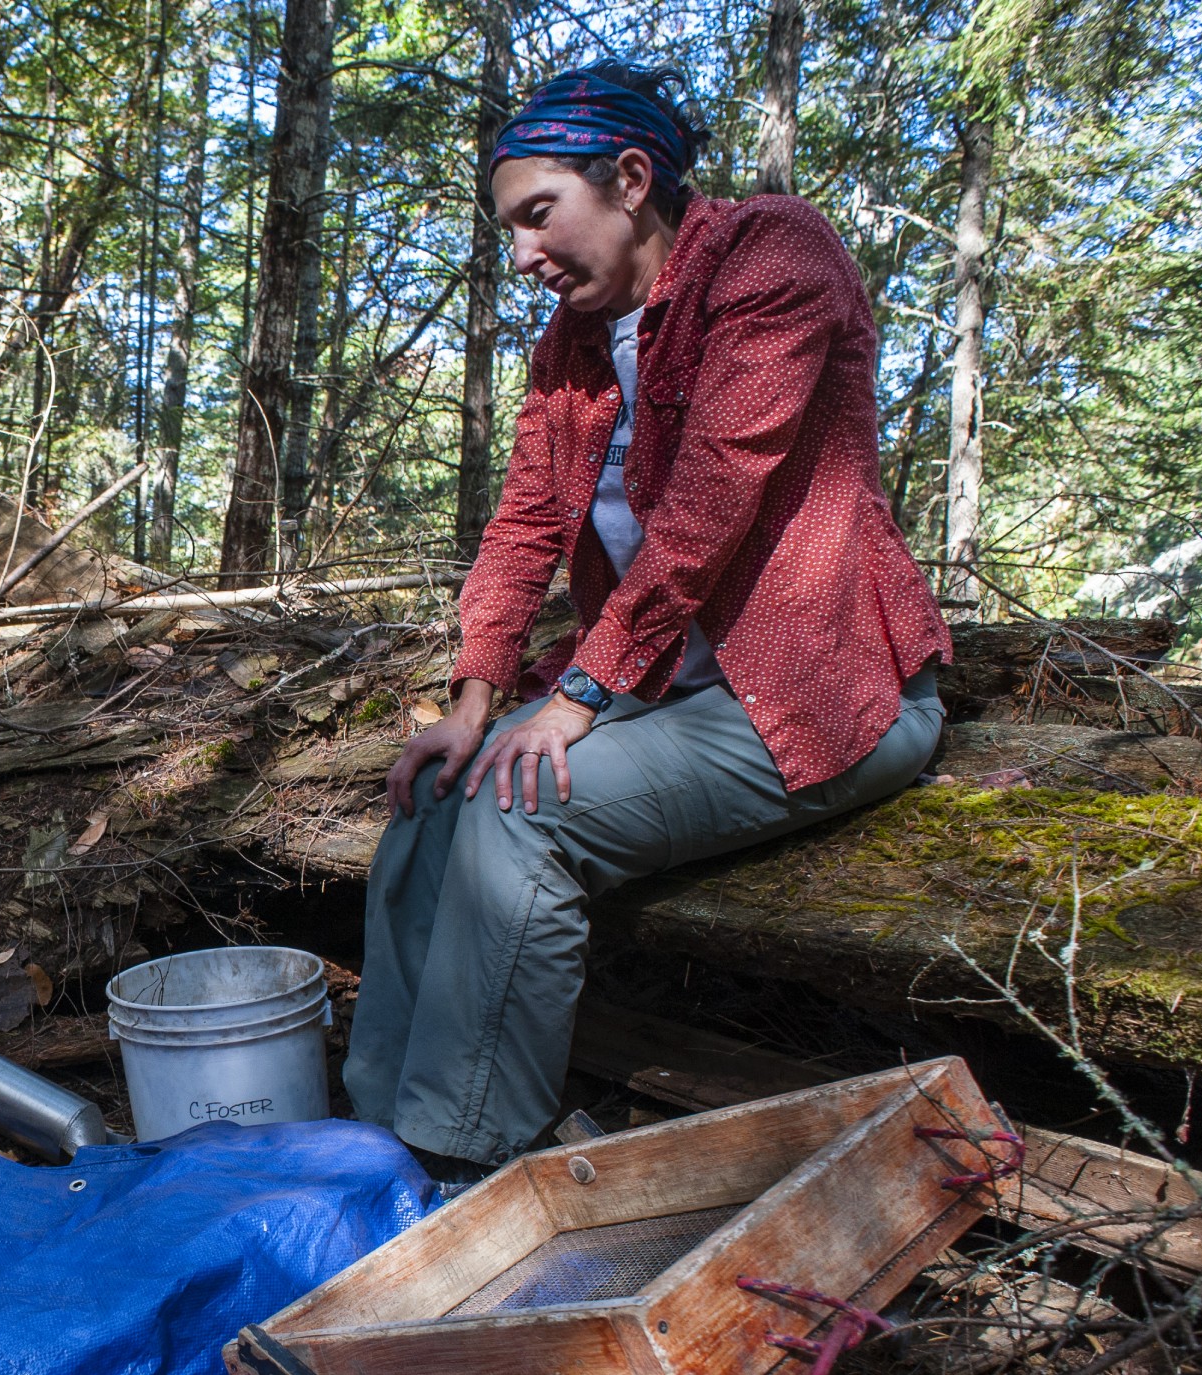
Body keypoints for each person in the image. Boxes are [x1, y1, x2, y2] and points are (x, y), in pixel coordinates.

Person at [343, 61, 952, 1186]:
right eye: (510, 229)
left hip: (823, 698)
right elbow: (525, 520)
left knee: (521, 817)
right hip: (672, 688)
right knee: (439, 793)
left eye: (538, 215)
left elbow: (713, 498)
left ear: (629, 180)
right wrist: (475, 700)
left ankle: (469, 1159)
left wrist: (574, 699)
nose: (522, 254)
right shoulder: (572, 345)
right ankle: (372, 1141)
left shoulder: (771, 255)